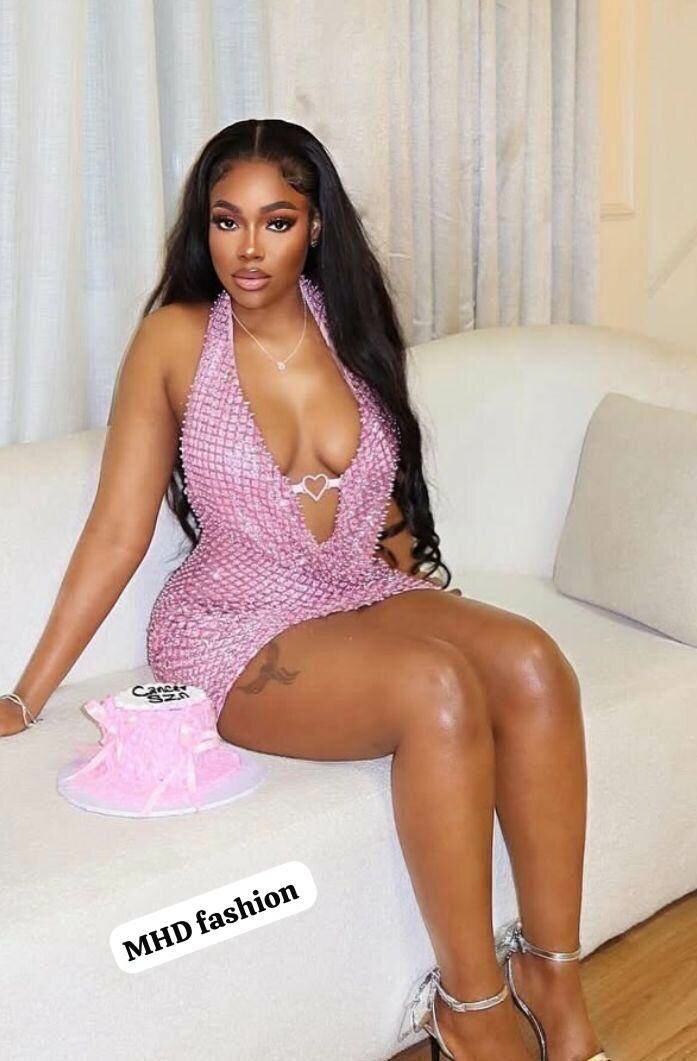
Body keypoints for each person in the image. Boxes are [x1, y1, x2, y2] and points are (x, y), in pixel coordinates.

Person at [1, 119, 610, 1061]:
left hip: (350, 588)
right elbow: (119, 531)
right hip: (232, 622)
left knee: (532, 660)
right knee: (436, 689)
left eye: (275, 221)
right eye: (226, 221)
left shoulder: (350, 327)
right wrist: (25, 694)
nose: (247, 248)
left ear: (314, 226)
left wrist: (419, 584)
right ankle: (471, 1006)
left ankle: (553, 978)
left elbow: (383, 495)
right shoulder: (176, 338)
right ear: (203, 228)